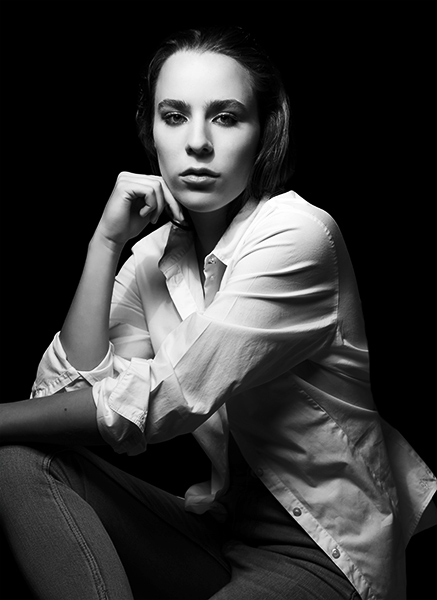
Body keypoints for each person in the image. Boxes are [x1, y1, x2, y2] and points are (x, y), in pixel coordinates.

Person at [0, 25, 435, 600]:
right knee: (21, 461)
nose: (198, 142)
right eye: (174, 116)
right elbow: (63, 401)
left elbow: (170, 395)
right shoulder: (153, 258)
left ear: (265, 133)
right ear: (151, 131)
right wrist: (104, 243)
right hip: (224, 535)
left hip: (323, 551)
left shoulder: (298, 235)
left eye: (226, 117)